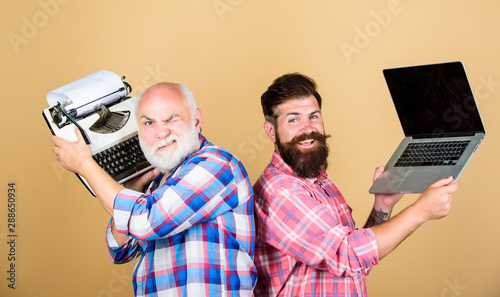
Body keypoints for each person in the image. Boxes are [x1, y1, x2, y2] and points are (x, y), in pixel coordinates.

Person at [252, 73, 459, 296]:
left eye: (314, 116)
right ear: (271, 131)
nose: (308, 128)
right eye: (294, 119)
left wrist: (383, 205)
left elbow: (357, 262)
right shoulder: (281, 190)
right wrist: (421, 211)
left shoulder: (317, 180)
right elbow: (349, 255)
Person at [51, 82, 257, 296]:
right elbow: (121, 250)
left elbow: (145, 220)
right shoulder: (159, 184)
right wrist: (135, 189)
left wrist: (85, 164)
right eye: (149, 122)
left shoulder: (216, 165)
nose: (161, 132)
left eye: (171, 118)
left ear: (197, 120)